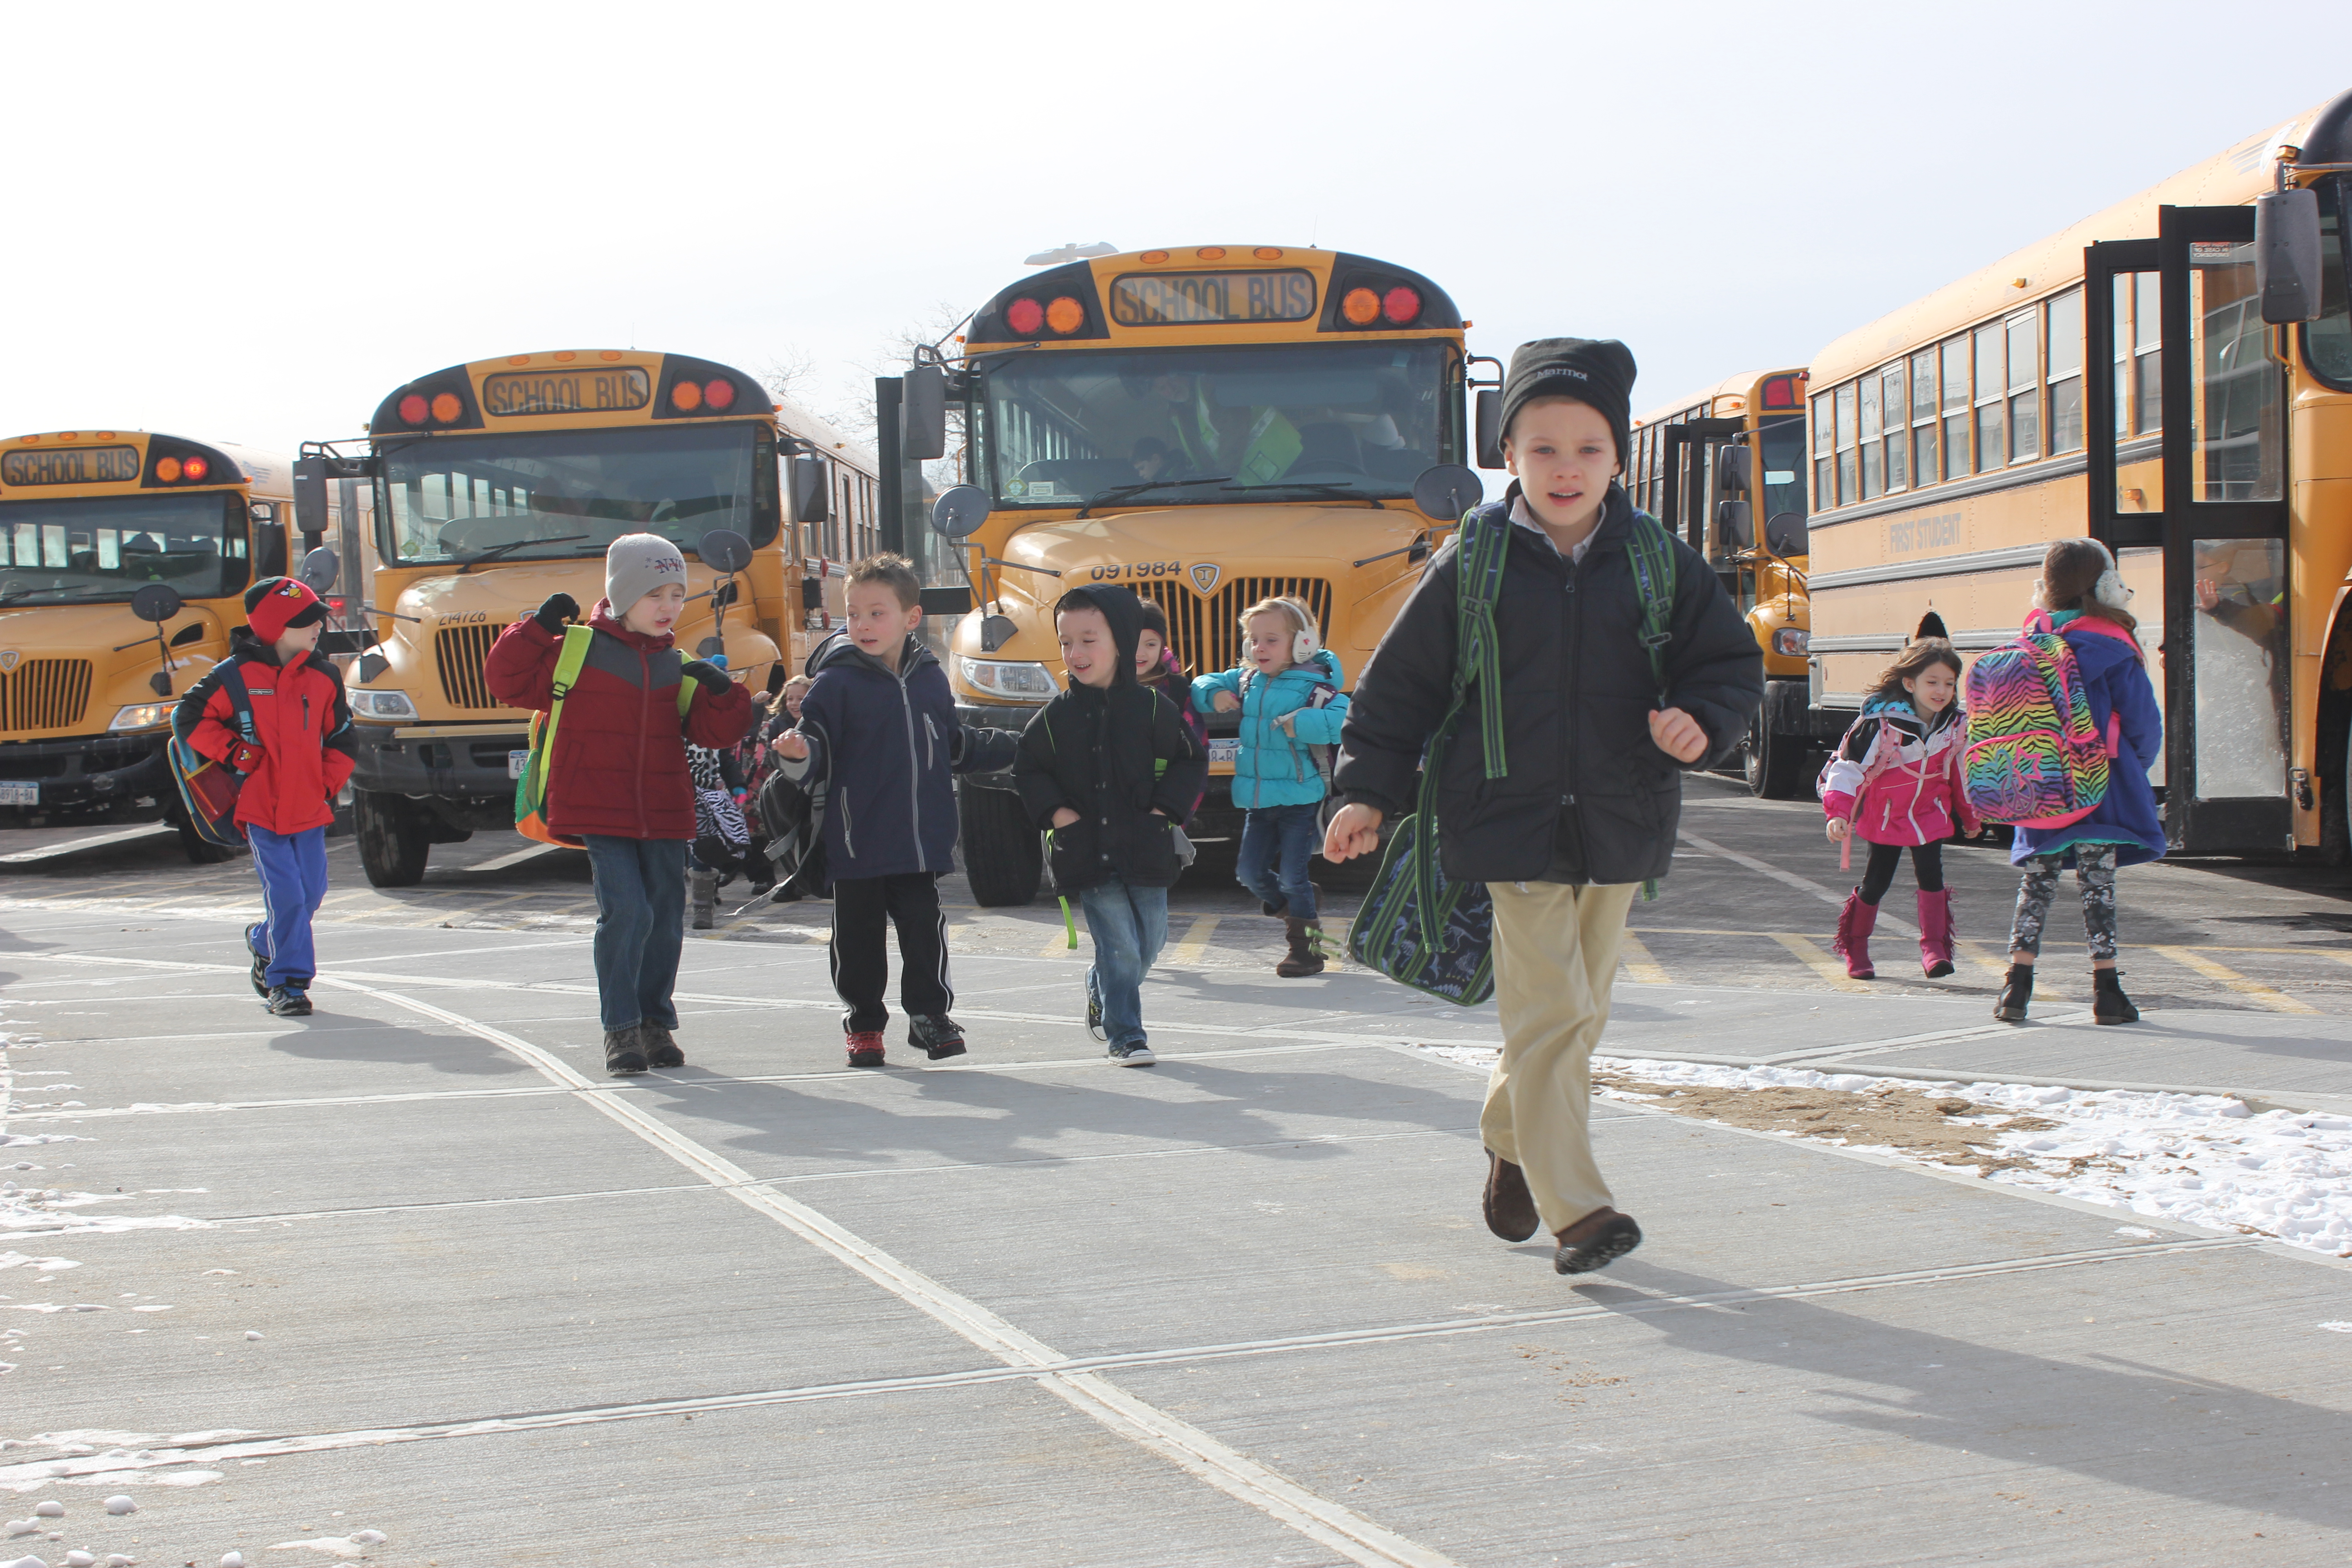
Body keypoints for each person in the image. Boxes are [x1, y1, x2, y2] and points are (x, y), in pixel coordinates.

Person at [1324, 337, 1763, 1276]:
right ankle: (1581, 1209)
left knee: (1576, 1014)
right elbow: (1400, 690)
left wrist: (1703, 720)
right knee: (1553, 1012)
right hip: (1501, 819)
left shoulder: (1658, 560)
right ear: (1509, 454)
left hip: (1622, 819)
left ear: (1621, 457)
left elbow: (1728, 664)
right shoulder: (1472, 561)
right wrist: (1366, 789)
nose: (1567, 469)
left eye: (1590, 449)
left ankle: (1508, 1135)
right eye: (1544, 448)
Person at [484, 534, 753, 1074]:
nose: (669, 607)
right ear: (623, 593)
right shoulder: (576, 649)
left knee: (665, 917)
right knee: (626, 911)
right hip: (598, 807)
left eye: (677, 594)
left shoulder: (674, 662)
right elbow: (506, 679)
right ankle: (621, 1028)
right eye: (656, 593)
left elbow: (718, 731)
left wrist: (724, 691)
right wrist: (536, 629)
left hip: (663, 809)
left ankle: (655, 1022)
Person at [769, 554, 1016, 1067]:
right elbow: (812, 748)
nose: (862, 624)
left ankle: (929, 1017)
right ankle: (864, 1024)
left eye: (876, 613)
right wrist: (797, 753)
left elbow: (952, 745)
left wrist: (1018, 746)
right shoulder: (834, 684)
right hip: (857, 843)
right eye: (854, 613)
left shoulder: (929, 679)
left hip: (920, 843)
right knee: (858, 941)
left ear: (911, 617)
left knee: (925, 932)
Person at [1014, 585, 1207, 1064]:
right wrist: (1061, 817)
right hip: (1087, 850)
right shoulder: (1055, 718)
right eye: (1065, 642)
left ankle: (1100, 984)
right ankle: (1127, 1036)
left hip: (1145, 846)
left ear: (1121, 641)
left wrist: (1164, 813)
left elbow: (1190, 762)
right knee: (1119, 945)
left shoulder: (1155, 709)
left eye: (1088, 640)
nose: (1074, 653)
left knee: (1152, 942)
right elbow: (1028, 768)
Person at [1996, 538, 2164, 1026]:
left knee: (2038, 882)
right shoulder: (2112, 644)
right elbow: (2143, 725)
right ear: (2104, 584)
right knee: (2098, 885)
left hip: (2039, 782)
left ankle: (2016, 987)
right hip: (2101, 783)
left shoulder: (2028, 641)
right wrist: (2131, 768)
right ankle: (2108, 992)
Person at [175, 577, 357, 1018]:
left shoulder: (325, 676)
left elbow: (343, 739)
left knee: (311, 894)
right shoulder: (232, 677)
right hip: (259, 809)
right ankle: (288, 984)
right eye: (304, 621)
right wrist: (236, 751)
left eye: (317, 619)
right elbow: (189, 717)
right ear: (274, 628)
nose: (316, 628)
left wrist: (325, 785)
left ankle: (263, 939)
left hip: (310, 809)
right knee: (289, 897)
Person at [1193, 597, 1349, 977]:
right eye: (1253, 640)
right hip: (1258, 802)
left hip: (1299, 799)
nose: (1259, 648)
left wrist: (1304, 724)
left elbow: (1343, 719)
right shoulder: (1248, 680)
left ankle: (1306, 951)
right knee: (1250, 874)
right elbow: (1201, 681)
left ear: (1302, 644)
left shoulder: (1317, 687)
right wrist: (1213, 693)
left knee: (1294, 875)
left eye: (1271, 640)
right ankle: (1302, 906)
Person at [1819, 638, 1977, 979]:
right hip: (1886, 814)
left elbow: (1959, 773)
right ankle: (1856, 946)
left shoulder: (1955, 725)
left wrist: (1970, 815)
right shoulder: (1882, 723)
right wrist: (1838, 813)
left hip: (1929, 814)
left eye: (1949, 683)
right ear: (1910, 684)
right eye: (1932, 682)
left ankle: (1935, 948)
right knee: (1876, 883)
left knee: (1932, 878)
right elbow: (1848, 769)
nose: (1942, 691)